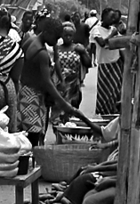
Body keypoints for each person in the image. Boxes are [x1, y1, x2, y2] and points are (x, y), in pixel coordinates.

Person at [18, 16, 94, 148]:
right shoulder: (42, 53)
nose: (57, 40)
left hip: (24, 91)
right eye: (56, 37)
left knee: (25, 136)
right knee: (32, 137)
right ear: (47, 32)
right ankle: (28, 165)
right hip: (33, 96)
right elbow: (47, 82)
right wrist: (64, 104)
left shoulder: (30, 40)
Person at [51, 22, 91, 123]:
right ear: (62, 35)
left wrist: (83, 52)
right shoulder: (57, 49)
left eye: (70, 35)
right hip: (59, 85)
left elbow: (88, 63)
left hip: (74, 86)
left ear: (73, 35)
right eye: (65, 35)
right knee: (58, 114)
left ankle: (67, 134)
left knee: (72, 112)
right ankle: (58, 134)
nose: (68, 37)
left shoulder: (78, 48)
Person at [91, 9, 124, 115]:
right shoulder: (96, 29)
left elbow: (120, 44)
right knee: (105, 92)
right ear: (104, 17)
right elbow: (102, 44)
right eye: (111, 17)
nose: (113, 19)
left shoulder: (114, 29)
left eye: (114, 17)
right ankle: (104, 113)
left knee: (116, 91)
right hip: (105, 64)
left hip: (116, 63)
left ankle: (114, 113)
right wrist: (112, 35)